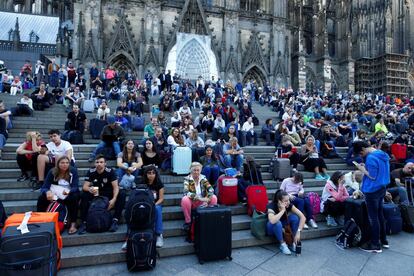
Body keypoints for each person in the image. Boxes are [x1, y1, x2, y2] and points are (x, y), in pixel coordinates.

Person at [353, 141, 390, 253]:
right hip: (382, 187)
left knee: (373, 218)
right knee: (379, 215)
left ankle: (375, 245)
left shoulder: (371, 158)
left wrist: (362, 169)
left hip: (372, 190)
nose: (361, 155)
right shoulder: (382, 155)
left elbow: (372, 176)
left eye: (361, 153)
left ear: (364, 148)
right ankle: (384, 240)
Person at [78, 155, 126, 234]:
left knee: (122, 193)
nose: (99, 164)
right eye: (97, 162)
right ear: (94, 163)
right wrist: (90, 189)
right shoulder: (91, 171)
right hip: (96, 193)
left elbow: (116, 187)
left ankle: (115, 220)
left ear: (105, 164)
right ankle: (84, 222)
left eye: (101, 162)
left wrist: (113, 199)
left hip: (108, 193)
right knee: (84, 194)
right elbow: (85, 186)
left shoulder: (110, 171)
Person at [36, 156, 80, 234]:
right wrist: (47, 192)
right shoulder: (52, 172)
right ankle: (40, 220)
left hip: (68, 194)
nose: (65, 165)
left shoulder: (73, 171)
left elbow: (75, 187)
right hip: (56, 193)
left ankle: (73, 224)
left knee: (74, 198)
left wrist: (69, 192)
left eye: (67, 163)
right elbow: (44, 187)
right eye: (62, 163)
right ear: (58, 164)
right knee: (41, 198)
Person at [267, 190, 306, 255]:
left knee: (294, 218)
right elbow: (272, 221)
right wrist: (282, 210)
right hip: (271, 228)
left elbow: (303, 217)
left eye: (288, 200)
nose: (288, 202)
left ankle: (292, 242)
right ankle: (282, 244)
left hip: (283, 226)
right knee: (277, 223)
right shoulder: (271, 206)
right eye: (286, 201)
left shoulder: (289, 205)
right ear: (279, 201)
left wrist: (298, 232)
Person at [181, 162, 217, 230]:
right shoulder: (187, 179)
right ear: (191, 170)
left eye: (198, 170)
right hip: (192, 202)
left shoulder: (203, 178)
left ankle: (210, 218)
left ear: (200, 170)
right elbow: (186, 192)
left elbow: (211, 189)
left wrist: (208, 199)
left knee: (214, 197)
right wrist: (201, 199)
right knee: (185, 199)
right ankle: (188, 222)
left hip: (202, 202)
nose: (196, 172)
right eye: (194, 170)